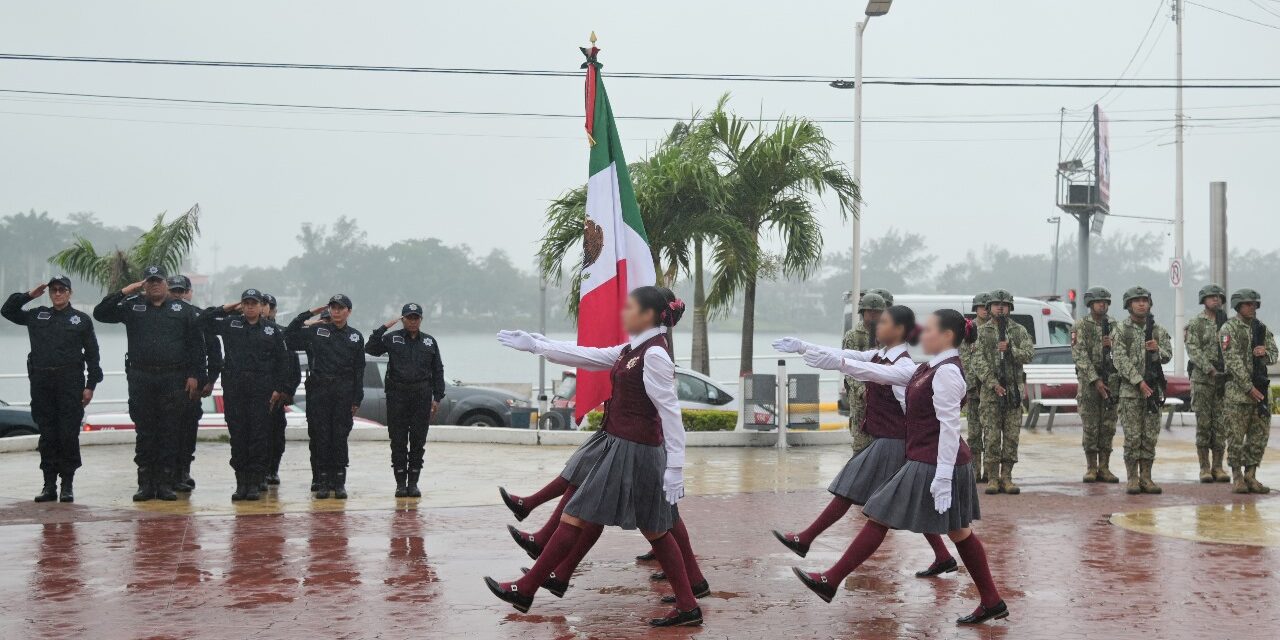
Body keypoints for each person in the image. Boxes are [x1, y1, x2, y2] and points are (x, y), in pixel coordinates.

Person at [484, 286, 704, 628]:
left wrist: (676, 467)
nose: (624, 313)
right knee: (655, 532)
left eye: (630, 307)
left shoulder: (655, 354)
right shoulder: (633, 348)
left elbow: (670, 413)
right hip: (621, 446)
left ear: (648, 314)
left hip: (638, 452)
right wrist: (538, 345)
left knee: (606, 522)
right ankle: (689, 605)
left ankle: (527, 589)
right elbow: (588, 356)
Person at [791, 309, 1008, 625]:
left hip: (936, 462)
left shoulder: (947, 372)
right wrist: (833, 361)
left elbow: (949, 427)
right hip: (930, 459)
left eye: (930, 328)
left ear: (947, 336)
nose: (923, 332)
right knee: (959, 531)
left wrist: (944, 476)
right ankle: (992, 600)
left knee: (879, 516)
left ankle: (831, 580)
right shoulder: (926, 368)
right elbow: (879, 373)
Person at [770, 304, 958, 578]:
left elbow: (901, 402)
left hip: (895, 442)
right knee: (909, 501)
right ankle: (943, 555)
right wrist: (803, 346)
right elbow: (848, 355)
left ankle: (807, 541)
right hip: (887, 440)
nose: (877, 326)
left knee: (851, 488)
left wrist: (839, 364)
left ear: (900, 330)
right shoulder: (879, 355)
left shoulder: (903, 365)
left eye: (884, 322)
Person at [94, 265, 205, 501]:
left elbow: (196, 345)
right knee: (145, 432)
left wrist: (195, 375)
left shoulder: (182, 310)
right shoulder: (132, 306)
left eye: (158, 280)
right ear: (144, 284)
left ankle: (165, 484)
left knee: (169, 431)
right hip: (141, 377)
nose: (155, 285)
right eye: (150, 281)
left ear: (166, 283)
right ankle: (145, 484)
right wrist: (125, 291)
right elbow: (101, 313)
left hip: (172, 379)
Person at [3, 276, 102, 503]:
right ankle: (49, 485)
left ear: (70, 293)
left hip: (70, 383)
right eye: (54, 290)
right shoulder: (37, 315)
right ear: (49, 293)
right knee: (47, 435)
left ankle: (67, 484)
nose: (57, 294)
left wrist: (91, 386)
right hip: (42, 383)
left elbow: (93, 356)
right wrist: (29, 295)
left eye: (62, 290)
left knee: (68, 434)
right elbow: (7, 310)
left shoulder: (81, 320)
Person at [199, 289, 291, 501]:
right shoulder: (231, 324)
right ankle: (241, 483)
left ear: (261, 306)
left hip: (262, 392)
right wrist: (226, 308)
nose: (250, 306)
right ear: (241, 305)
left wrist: (279, 388)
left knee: (259, 438)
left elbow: (282, 361)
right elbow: (202, 322)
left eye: (254, 303)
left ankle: (255, 483)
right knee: (239, 438)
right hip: (236, 391)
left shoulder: (271, 330)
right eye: (246, 303)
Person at [285, 294, 365, 499]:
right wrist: (309, 313)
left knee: (339, 437)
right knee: (320, 437)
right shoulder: (316, 331)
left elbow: (359, 370)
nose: (336, 311)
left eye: (341, 308)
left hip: (343, 391)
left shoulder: (355, 336)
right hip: (319, 390)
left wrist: (357, 398)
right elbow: (289, 335)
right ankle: (321, 481)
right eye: (333, 308)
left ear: (349, 311)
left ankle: (338, 482)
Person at [365, 302, 446, 498]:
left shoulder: (429, 342)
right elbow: (370, 348)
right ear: (402, 319)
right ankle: (401, 483)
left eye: (416, 318)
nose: (412, 321)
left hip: (421, 396)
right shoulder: (392, 339)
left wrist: (437, 397)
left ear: (421, 319)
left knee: (418, 441)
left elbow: (438, 370)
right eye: (408, 318)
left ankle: (414, 483)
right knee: (398, 441)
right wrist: (385, 326)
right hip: (397, 397)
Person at [969, 289, 1033, 495]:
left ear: (1010, 308)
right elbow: (977, 361)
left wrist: (1012, 350)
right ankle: (993, 478)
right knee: (992, 436)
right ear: (989, 308)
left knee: (1012, 436)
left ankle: (1007, 477)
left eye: (1004, 305)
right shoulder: (981, 332)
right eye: (996, 304)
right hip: (991, 393)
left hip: (1013, 392)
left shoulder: (1019, 331)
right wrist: (992, 383)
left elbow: (1029, 354)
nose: (1000, 307)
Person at [1112, 286, 1172, 495]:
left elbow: (1168, 356)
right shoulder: (1121, 329)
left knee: (1150, 436)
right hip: (1131, 392)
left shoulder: (1158, 330)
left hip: (1153, 392)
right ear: (1128, 305)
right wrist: (1138, 381)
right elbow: (1119, 358)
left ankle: (1146, 477)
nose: (1141, 304)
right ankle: (1133, 478)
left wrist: (1158, 349)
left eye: (1145, 300)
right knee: (1133, 437)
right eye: (1136, 300)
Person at [167, 274, 223, 493]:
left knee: (187, 430)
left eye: (182, 291)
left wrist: (211, 380)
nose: (178, 295)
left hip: (193, 386)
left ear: (189, 293)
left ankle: (183, 472)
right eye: (174, 291)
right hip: (167, 382)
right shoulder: (161, 316)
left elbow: (214, 351)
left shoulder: (200, 317)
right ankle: (165, 474)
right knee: (167, 430)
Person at [1219, 289, 1276, 494]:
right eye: (1248, 304)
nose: (1253, 307)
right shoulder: (1229, 328)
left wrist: (1265, 353)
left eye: (1254, 304)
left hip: (1260, 392)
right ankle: (1237, 476)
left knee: (1258, 437)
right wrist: (1248, 387)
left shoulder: (1262, 328)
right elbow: (1231, 360)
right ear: (1238, 306)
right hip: (1238, 394)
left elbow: (1274, 354)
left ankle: (1251, 475)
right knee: (1235, 437)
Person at [1071, 287, 1121, 483]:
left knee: (1108, 426)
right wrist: (1096, 379)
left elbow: (1124, 353)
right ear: (1090, 304)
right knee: (1091, 426)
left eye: (1105, 301)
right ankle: (1091, 467)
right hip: (1089, 384)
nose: (1103, 304)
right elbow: (1079, 355)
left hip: (1111, 382)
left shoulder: (1116, 326)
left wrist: (1112, 345)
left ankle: (1105, 467)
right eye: (1099, 301)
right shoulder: (1081, 326)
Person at [1185, 284, 1230, 483]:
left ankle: (1218, 466)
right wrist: (1209, 368)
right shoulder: (1196, 323)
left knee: (1220, 425)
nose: (1216, 300)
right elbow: (1193, 349)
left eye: (1219, 297)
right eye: (1212, 297)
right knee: (1204, 424)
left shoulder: (1227, 323)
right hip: (1203, 380)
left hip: (1223, 381)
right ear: (1203, 300)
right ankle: (1204, 467)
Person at [261, 293, 301, 487]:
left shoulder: (283, 332)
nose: (264, 309)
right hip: (255, 391)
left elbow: (292, 365)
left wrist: (287, 390)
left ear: (275, 310)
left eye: (268, 306)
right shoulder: (243, 328)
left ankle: (272, 469)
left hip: (277, 393)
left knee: (276, 435)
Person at [841, 292, 886, 455]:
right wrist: (861, 391)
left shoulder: (886, 334)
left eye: (877, 312)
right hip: (861, 396)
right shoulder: (853, 336)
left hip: (881, 394)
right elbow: (847, 368)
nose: (874, 315)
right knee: (860, 442)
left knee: (881, 440)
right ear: (863, 312)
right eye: (870, 312)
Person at [961, 293, 992, 482]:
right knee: (974, 434)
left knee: (991, 433)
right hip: (973, 391)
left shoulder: (994, 330)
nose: (985, 310)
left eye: (988, 306)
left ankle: (989, 472)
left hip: (990, 390)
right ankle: (974, 471)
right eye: (982, 306)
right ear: (976, 308)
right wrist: (973, 386)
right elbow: (965, 359)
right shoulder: (969, 329)